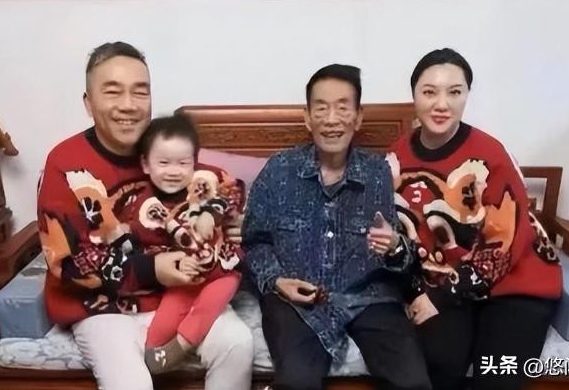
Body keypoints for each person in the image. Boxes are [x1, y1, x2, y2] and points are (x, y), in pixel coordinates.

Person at [37, 42, 253, 390]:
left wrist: (230, 217)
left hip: (181, 294)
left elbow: (218, 183)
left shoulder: (161, 145)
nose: (129, 105)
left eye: (140, 91)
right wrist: (152, 269)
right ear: (88, 103)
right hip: (103, 309)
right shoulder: (66, 162)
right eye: (113, 92)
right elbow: (68, 264)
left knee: (237, 344)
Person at [242, 64, 432, 390]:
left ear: (358, 118)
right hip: (298, 301)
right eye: (321, 108)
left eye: (343, 108)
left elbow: (400, 256)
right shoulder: (278, 169)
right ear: (307, 117)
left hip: (370, 297)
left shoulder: (377, 173)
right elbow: (254, 242)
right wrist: (277, 281)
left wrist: (394, 246)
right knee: (297, 382)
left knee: (414, 383)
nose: (332, 119)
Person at [386, 48, 562, 390]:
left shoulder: (490, 154)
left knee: (497, 378)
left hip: (514, 285)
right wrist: (417, 292)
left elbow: (505, 247)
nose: (442, 104)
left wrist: (440, 297)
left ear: (467, 95)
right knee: (439, 362)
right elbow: (398, 235)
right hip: (445, 281)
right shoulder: (397, 154)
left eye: (455, 92)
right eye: (429, 92)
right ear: (414, 95)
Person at [116, 114, 245, 373]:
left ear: (194, 162)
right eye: (163, 162)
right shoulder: (144, 204)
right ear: (145, 164)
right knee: (166, 317)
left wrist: (211, 214)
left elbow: (232, 195)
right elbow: (148, 245)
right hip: (182, 278)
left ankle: (183, 343)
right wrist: (178, 262)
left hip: (221, 270)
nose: (174, 171)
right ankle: (154, 353)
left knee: (212, 300)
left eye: (183, 163)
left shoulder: (206, 183)